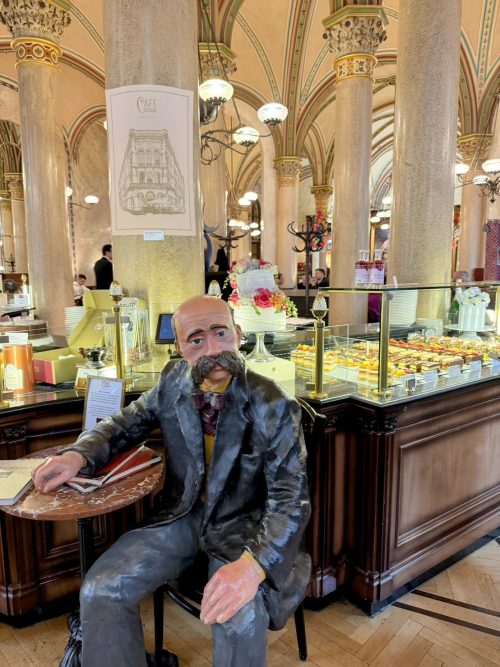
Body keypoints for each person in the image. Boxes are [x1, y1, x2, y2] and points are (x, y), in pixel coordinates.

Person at [33, 295, 310, 667]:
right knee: (100, 589)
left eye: (221, 333)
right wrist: (79, 454)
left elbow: (291, 500)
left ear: (238, 333)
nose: (212, 349)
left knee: (238, 618)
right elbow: (124, 423)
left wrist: (252, 566)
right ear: (179, 347)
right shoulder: (172, 380)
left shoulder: (273, 403)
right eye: (196, 339)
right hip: (181, 516)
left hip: (244, 529)